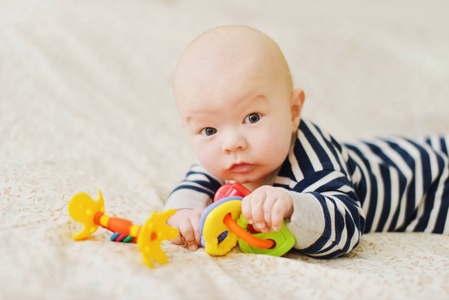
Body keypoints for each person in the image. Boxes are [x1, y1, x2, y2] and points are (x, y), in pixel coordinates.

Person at [164, 25, 449, 258]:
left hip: (430, 184)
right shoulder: (223, 160)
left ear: (293, 113)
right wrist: (182, 214)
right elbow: (191, 187)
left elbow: (347, 228)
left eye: (252, 118)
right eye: (209, 130)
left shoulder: (309, 159)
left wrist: (291, 206)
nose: (232, 143)